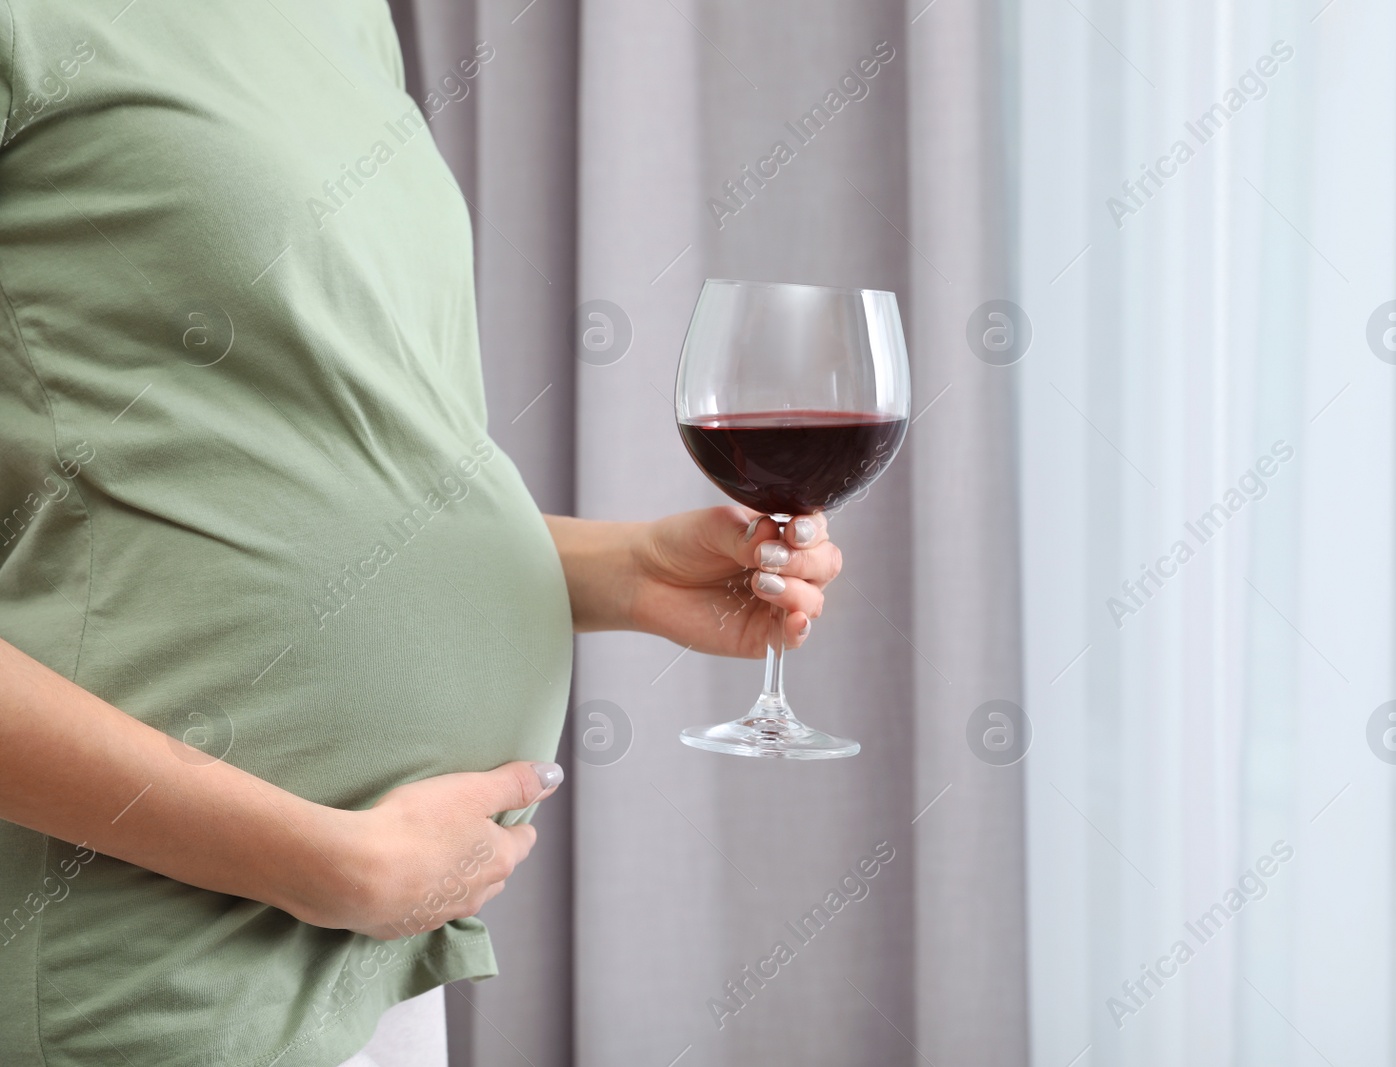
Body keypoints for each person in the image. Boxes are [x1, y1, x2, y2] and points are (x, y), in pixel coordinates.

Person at [0, 3, 842, 1065]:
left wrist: (621, 571)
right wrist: (322, 860)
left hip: (387, 949)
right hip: (151, 967)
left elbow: (292, 458)